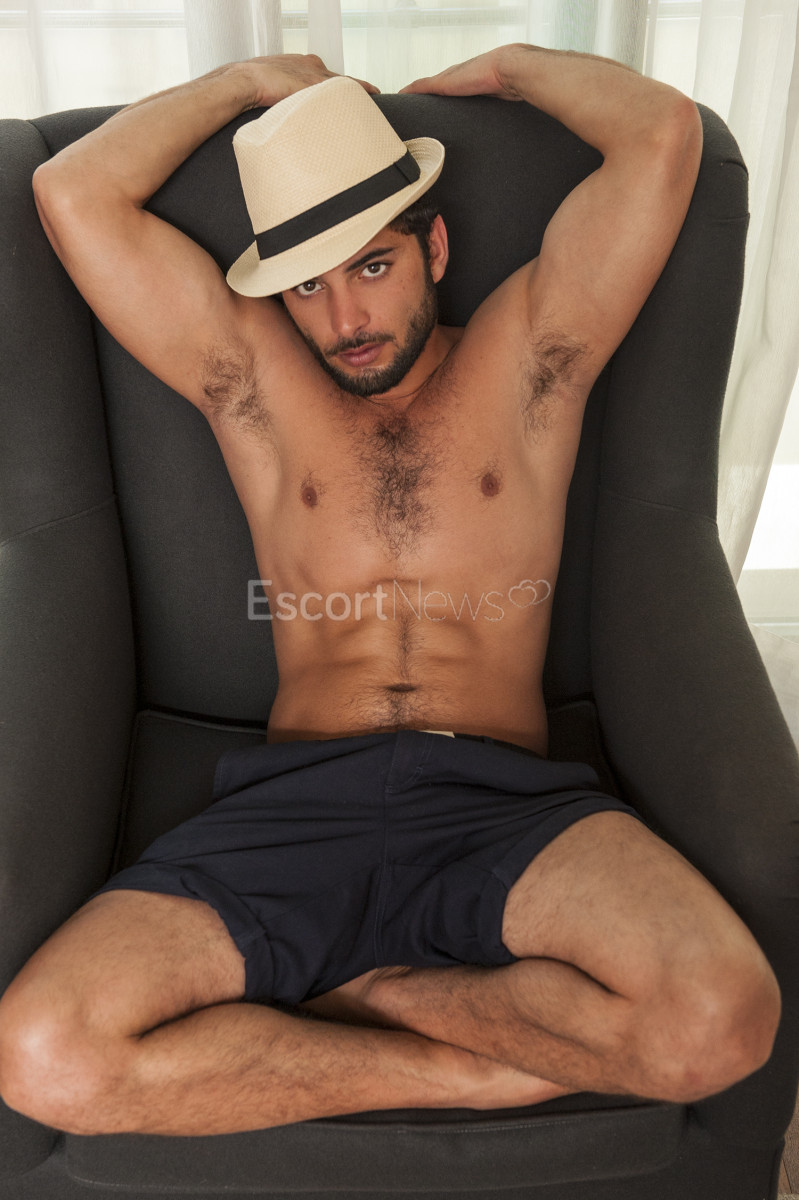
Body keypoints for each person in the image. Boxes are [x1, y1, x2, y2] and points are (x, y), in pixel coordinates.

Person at [0, 46, 781, 1139]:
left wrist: (511, 67)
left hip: (502, 806)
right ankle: (452, 1070)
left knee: (722, 1023)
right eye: (306, 285)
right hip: (294, 809)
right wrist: (241, 85)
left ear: (434, 245)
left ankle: (377, 994)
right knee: (41, 1054)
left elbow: (661, 135)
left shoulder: (529, 360)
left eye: (371, 265)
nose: (344, 318)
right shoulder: (254, 385)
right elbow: (70, 191)